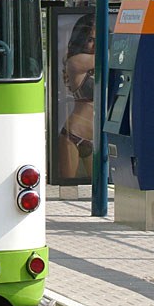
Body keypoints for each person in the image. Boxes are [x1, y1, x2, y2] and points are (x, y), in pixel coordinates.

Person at [58, 13, 95, 180]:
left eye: (99, 39)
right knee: (69, 188)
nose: (95, 45)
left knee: (98, 185)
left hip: (94, 137)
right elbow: (109, 57)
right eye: (90, 39)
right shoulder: (75, 61)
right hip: (73, 134)